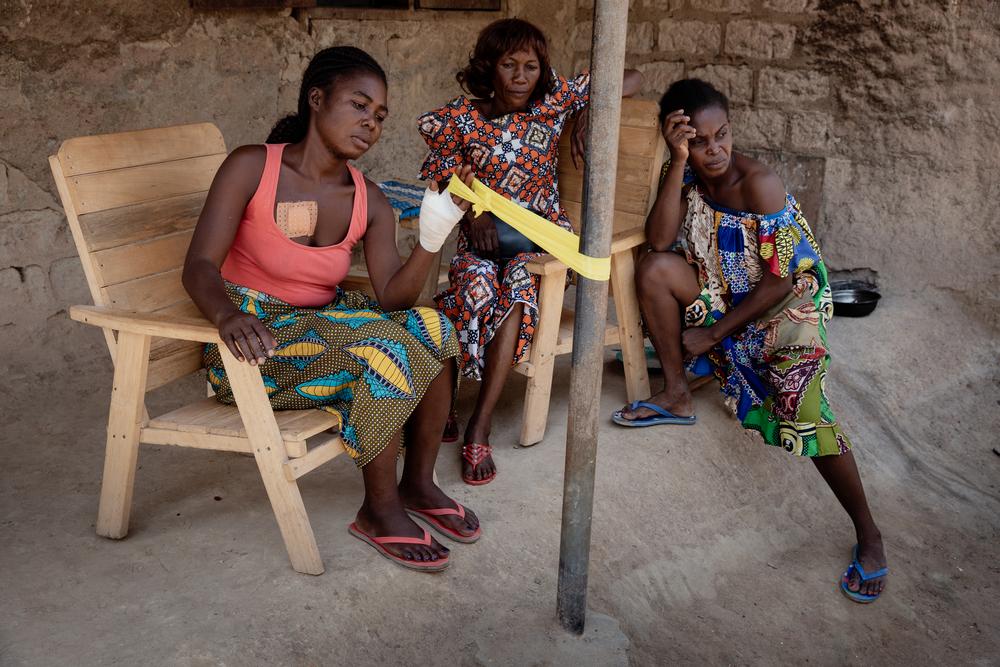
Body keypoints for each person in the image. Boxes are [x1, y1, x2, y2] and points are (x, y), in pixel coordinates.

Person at [182, 46, 481, 572]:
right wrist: (228, 316)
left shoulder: (371, 198)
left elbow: (394, 297)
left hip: (328, 326)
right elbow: (200, 266)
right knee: (385, 347)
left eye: (380, 116)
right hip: (254, 346)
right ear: (316, 100)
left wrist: (434, 236)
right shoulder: (253, 166)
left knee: (435, 325)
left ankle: (416, 483)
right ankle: (378, 510)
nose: (371, 123)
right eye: (359, 105)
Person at [613, 79, 888, 602]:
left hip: (786, 304)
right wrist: (677, 163)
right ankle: (675, 392)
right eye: (698, 141)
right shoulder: (688, 174)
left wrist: (712, 333)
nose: (714, 150)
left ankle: (868, 532)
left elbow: (781, 279)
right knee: (653, 270)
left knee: (800, 404)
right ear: (678, 140)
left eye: (723, 136)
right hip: (725, 288)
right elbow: (658, 240)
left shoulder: (760, 184)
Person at [418, 18, 642, 485]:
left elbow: (629, 76)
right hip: (481, 238)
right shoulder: (460, 118)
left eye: (531, 66)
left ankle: (479, 425)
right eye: (509, 65)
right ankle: (448, 400)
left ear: (543, 71)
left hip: (539, 243)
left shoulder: (552, 104)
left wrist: (585, 111)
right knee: (475, 287)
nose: (521, 76)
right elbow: (442, 166)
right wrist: (474, 213)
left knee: (518, 292)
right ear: (489, 68)